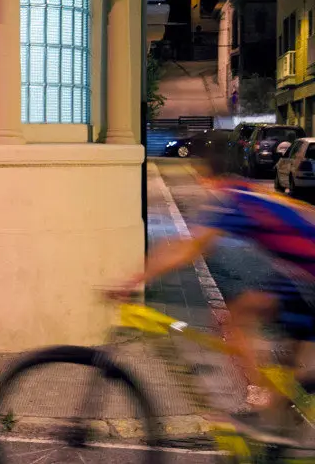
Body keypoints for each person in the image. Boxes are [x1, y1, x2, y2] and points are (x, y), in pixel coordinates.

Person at [109, 144, 315, 443]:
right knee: (258, 314)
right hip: (301, 269)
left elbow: (189, 249)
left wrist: (134, 280)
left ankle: (264, 409)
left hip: (306, 273)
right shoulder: (244, 189)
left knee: (238, 317)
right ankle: (281, 413)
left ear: (205, 174)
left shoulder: (228, 199)